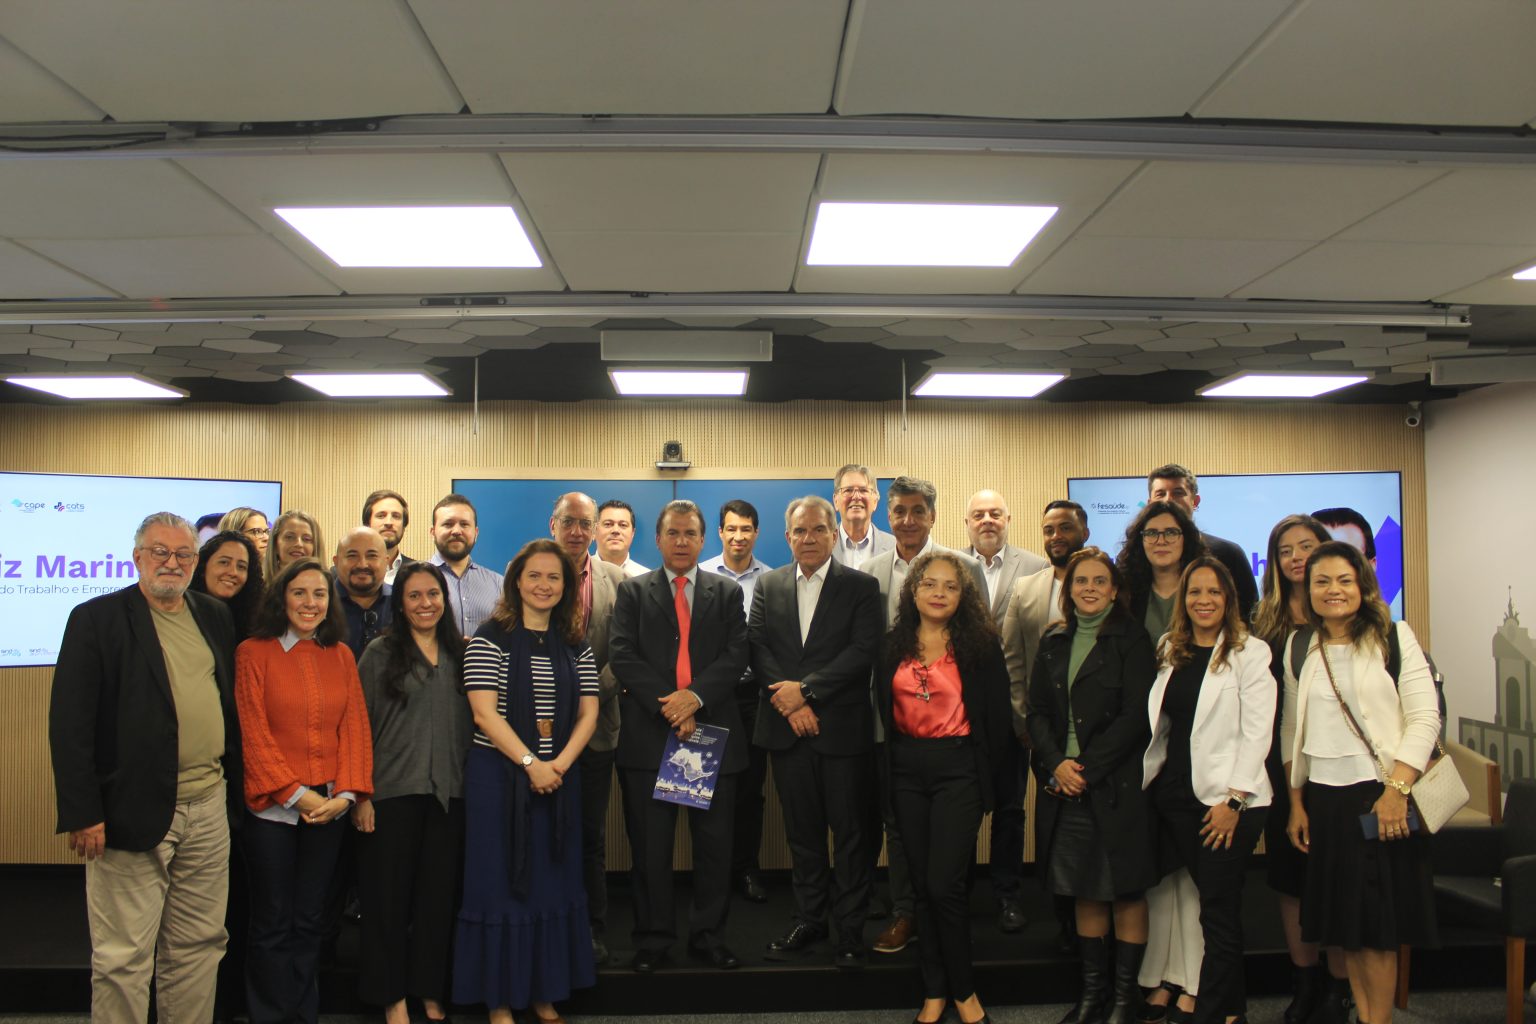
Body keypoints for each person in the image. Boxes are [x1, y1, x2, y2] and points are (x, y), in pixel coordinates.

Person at [49, 512, 242, 1024]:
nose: (171, 562)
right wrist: (83, 811)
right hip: (127, 809)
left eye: (182, 554)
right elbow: (70, 725)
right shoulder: (96, 619)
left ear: (194, 562)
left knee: (200, 944)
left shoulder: (214, 616)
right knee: (123, 957)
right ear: (137, 557)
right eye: (160, 552)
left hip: (208, 806)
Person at [1282, 542, 1439, 1024]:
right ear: (1307, 591)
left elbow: (1425, 718)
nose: (1333, 590)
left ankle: (1378, 1020)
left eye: (1344, 580)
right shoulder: (1300, 644)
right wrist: (1296, 803)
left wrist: (1397, 791)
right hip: (1325, 803)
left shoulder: (1394, 636)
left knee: (1375, 931)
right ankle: (1366, 1016)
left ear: (1363, 585)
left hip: (1379, 800)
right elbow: (1293, 729)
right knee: (1346, 930)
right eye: (1322, 582)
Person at [454, 540, 599, 1024]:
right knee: (500, 886)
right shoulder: (489, 637)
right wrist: (529, 763)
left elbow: (589, 714)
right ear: (516, 581)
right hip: (498, 780)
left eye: (554, 578)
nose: (544, 585)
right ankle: (499, 1000)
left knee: (551, 884)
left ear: (567, 586)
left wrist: (556, 764)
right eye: (534, 576)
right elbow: (482, 713)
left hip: (558, 779)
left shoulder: (576, 642)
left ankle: (544, 991)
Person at [609, 500, 750, 973]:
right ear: (658, 538)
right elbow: (622, 655)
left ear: (703, 538)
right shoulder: (632, 592)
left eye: (691, 533)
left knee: (714, 848)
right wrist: (672, 704)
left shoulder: (726, 593)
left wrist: (694, 699)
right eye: (673, 533)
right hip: (651, 737)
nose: (682, 541)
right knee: (650, 850)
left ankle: (709, 937)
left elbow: (736, 655)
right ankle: (653, 939)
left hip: (711, 736)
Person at [236, 556, 372, 1024]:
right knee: (273, 921)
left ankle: (301, 1013)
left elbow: (354, 728)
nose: (310, 603)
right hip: (274, 811)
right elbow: (253, 735)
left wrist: (345, 797)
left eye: (319, 594)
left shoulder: (341, 654)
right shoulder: (253, 652)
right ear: (282, 598)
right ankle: (269, 1015)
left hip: (330, 808)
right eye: (299, 593)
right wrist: (298, 795)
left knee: (311, 919)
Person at [877, 551, 1012, 1024]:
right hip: (906, 771)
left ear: (963, 596)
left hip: (959, 770)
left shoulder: (979, 646)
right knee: (919, 884)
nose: (939, 593)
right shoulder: (892, 644)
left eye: (950, 587)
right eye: (929, 584)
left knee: (944, 884)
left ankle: (965, 990)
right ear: (913, 590)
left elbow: (996, 723)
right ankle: (934, 990)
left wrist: (991, 785)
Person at [749, 496, 882, 968]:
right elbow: (759, 647)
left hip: (841, 730)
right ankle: (810, 919)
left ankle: (849, 929)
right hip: (788, 732)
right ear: (787, 537)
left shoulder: (861, 587)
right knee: (802, 836)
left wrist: (805, 691)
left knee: (850, 836)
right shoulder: (768, 584)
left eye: (818, 530)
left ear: (834, 534)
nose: (808, 538)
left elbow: (863, 650)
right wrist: (789, 703)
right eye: (799, 532)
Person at [1141, 557, 1275, 1024]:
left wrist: (1234, 801)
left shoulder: (1250, 652)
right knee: (1190, 901)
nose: (1203, 600)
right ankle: (1230, 1005)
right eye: (1195, 592)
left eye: (1214, 592)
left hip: (1225, 801)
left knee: (1218, 909)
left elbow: (1259, 732)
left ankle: (1216, 1011)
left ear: (1229, 598)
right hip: (1175, 794)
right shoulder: (1169, 647)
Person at [1026, 547, 1156, 1024]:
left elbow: (1136, 717)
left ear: (1115, 589)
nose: (1090, 588)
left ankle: (1124, 1001)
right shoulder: (1054, 639)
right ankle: (1092, 995)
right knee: (1084, 890)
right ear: (1069, 588)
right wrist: (1058, 763)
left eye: (1100, 581)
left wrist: (1086, 769)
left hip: (1113, 785)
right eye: (1082, 581)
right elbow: (1037, 711)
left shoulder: (1132, 640)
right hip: (1065, 785)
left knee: (1125, 891)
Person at [860, 475, 987, 955]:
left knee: (952, 833)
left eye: (917, 511)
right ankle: (905, 913)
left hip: (953, 730)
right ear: (886, 517)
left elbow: (980, 645)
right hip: (892, 723)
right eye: (899, 512)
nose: (908, 520)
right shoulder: (869, 572)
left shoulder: (963, 566)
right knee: (899, 823)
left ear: (932, 515)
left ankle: (949, 913)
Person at [353, 562, 471, 1024]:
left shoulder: (463, 654)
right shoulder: (380, 654)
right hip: (390, 796)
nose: (426, 604)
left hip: (451, 796)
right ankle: (391, 995)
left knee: (437, 901)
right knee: (387, 901)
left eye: (433, 594)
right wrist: (359, 796)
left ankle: (429, 990)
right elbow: (357, 730)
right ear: (400, 604)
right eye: (415, 596)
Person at [1251, 514, 1348, 1024]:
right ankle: (1304, 980)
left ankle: (1338, 984)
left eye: (1306, 546)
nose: (1295, 557)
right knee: (1291, 877)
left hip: (1341, 765)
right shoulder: (1262, 618)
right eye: (1285, 549)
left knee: (1336, 876)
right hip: (1279, 760)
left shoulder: (1344, 611)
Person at [1001, 499, 1092, 951]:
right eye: (1049, 529)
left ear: (1084, 532)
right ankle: (1064, 921)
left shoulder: (1107, 584)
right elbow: (1012, 660)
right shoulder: (1026, 589)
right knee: (1054, 825)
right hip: (1045, 733)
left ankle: (1097, 918)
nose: (1057, 536)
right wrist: (1023, 722)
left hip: (1101, 734)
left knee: (1096, 827)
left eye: (1066, 528)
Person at [961, 487, 1047, 932]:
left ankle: (1007, 893)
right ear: (967, 522)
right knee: (963, 806)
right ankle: (957, 892)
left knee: (1011, 808)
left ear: (1008, 517)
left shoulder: (1036, 567)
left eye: (996, 513)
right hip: (962, 711)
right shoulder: (950, 568)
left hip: (1014, 707)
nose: (988, 520)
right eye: (979, 515)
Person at [548, 491, 625, 962]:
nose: (577, 531)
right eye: (568, 522)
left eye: (585, 523)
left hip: (597, 731)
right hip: (539, 734)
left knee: (589, 835)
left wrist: (589, 696)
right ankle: (550, 920)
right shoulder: (530, 575)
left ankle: (592, 927)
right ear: (552, 524)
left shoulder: (618, 581)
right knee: (546, 831)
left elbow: (625, 651)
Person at [700, 498, 775, 905]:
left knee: (750, 789)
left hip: (752, 697)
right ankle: (709, 875)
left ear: (756, 533)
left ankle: (746, 869)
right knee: (700, 784)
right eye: (731, 528)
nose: (739, 536)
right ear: (720, 532)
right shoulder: (702, 574)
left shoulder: (772, 579)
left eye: (746, 529)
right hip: (708, 697)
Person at [1146, 465, 1259, 620]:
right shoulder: (1134, 557)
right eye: (1161, 494)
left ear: (1195, 501)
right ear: (1149, 503)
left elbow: (1249, 614)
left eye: (1178, 493)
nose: (1168, 500)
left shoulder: (1229, 554)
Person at [1116, 501, 1207, 645]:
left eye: (1171, 532)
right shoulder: (1125, 593)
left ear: (1186, 538)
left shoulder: (1205, 590)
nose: (1161, 541)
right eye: (1151, 533)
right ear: (1141, 541)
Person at [428, 494, 504, 639]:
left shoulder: (499, 584)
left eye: (464, 524)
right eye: (448, 524)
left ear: (475, 533)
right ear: (433, 533)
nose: (456, 531)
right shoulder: (415, 581)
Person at [191, 529, 264, 641]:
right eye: (224, 562)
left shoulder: (255, 620)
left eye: (241, 567)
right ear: (203, 566)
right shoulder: (184, 610)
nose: (233, 572)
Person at [334, 526, 393, 659]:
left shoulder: (402, 602)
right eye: (352, 556)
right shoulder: (320, 604)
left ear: (386, 562)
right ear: (336, 562)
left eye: (371, 556)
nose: (362, 564)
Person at [830, 462, 894, 568]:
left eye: (863, 490)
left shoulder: (894, 547)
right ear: (836, 500)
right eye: (848, 490)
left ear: (875, 501)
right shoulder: (820, 547)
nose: (856, 497)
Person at [362, 489, 413, 585]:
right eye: (381, 516)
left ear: (404, 526)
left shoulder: (418, 572)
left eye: (396, 516)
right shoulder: (343, 574)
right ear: (367, 524)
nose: (389, 522)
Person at [264, 510, 325, 584]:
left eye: (306, 539)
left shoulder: (327, 590)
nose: (298, 544)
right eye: (289, 537)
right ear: (275, 544)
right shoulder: (258, 590)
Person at [596, 499, 649, 577]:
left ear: (633, 533)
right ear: (595, 530)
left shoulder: (646, 579)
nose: (615, 530)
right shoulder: (577, 575)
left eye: (623, 525)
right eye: (608, 524)